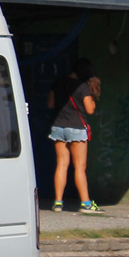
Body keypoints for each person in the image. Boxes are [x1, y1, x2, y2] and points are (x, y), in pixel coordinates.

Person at [47, 58, 102, 214]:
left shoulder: (57, 83)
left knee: (62, 165)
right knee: (79, 167)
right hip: (77, 129)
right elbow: (89, 109)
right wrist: (93, 102)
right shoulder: (83, 87)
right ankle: (86, 204)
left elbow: (50, 105)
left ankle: (58, 203)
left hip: (58, 127)